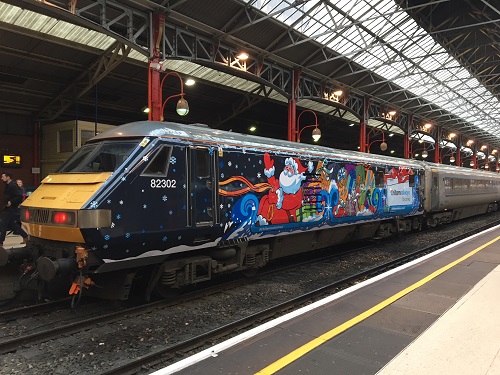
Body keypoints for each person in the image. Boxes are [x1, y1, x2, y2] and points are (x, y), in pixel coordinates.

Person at [0, 172, 28, 246]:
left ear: (8, 177)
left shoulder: (13, 185)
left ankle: (1, 241)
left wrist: (11, 202)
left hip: (11, 207)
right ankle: (25, 236)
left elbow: (19, 195)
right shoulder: (8, 185)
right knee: (12, 224)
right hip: (8, 207)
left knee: (3, 223)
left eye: (3, 176)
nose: (2, 178)